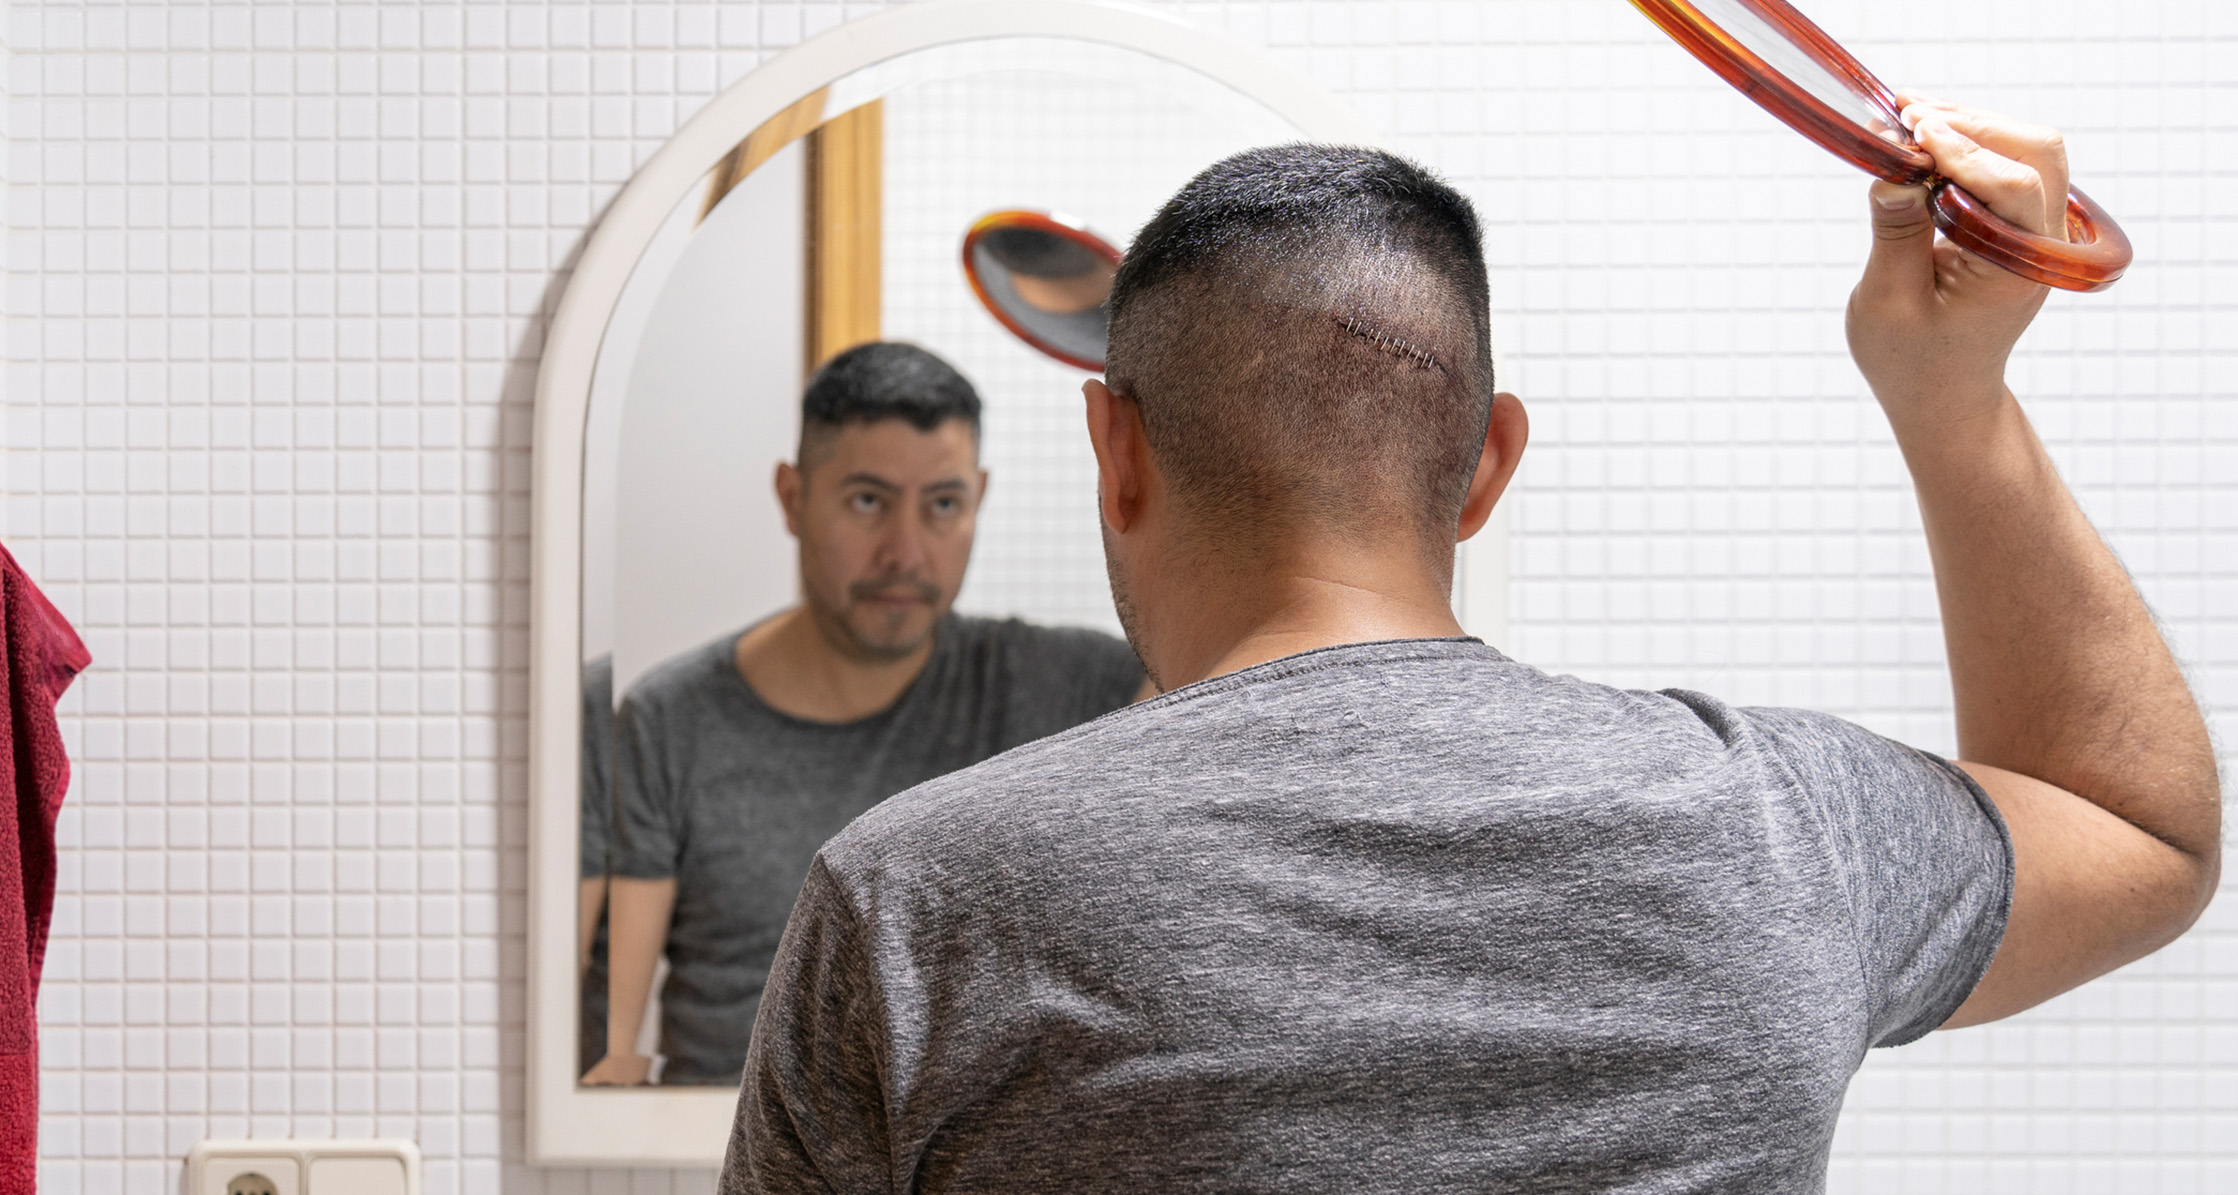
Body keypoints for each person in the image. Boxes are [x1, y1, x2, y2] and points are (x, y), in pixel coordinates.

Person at [723, 104, 2221, 1190]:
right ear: (1487, 464)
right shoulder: (1776, 823)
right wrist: (1951, 394)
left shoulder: (917, 897)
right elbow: (2140, 821)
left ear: (1114, 452)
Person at [584, 342, 1148, 1088]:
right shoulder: (666, 718)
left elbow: (1236, 675)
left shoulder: (1068, 685)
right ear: (793, 497)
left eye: (943, 504)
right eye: (867, 501)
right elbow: (600, 1060)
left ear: (978, 497)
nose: (905, 552)